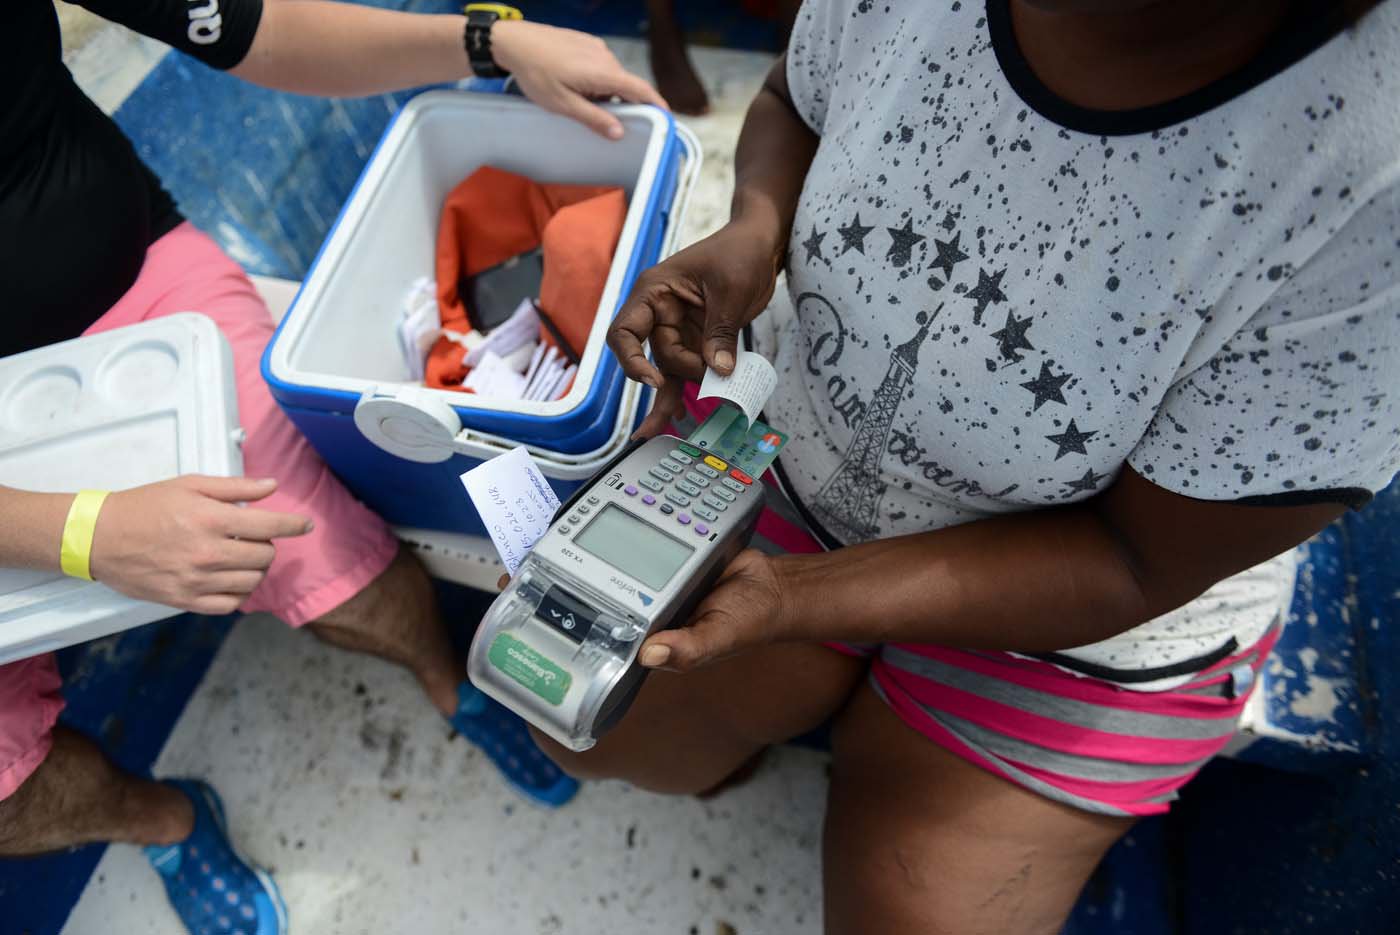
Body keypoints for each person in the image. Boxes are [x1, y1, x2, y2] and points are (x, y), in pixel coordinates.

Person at [554, 1, 1398, 932]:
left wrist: (796, 601)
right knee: (594, 734)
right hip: (794, 452)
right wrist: (756, 230)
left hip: (1095, 626)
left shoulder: (1371, 170)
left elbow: (1134, 558)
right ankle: (769, 725)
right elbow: (793, 99)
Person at [0, 2, 663, 932]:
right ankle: (168, 821)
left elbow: (249, 27)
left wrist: (488, 40)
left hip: (130, 292)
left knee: (317, 543)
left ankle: (449, 680)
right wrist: (79, 531)